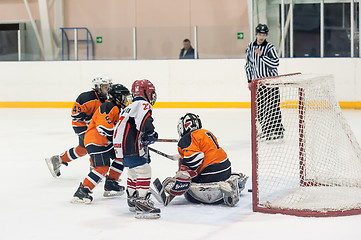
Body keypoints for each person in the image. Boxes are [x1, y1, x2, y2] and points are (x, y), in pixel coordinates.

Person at [162, 113, 248, 207]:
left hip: (210, 174)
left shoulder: (186, 138)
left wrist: (184, 174)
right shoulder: (205, 132)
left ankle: (220, 188)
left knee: (190, 187)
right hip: (226, 168)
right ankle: (233, 182)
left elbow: (195, 157)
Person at [71, 84, 132, 204]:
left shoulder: (116, 108)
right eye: (124, 97)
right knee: (102, 168)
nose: (126, 100)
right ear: (117, 97)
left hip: (104, 141)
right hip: (95, 141)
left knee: (121, 156)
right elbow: (103, 127)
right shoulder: (109, 106)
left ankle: (111, 183)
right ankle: (82, 190)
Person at [45, 74, 112, 177]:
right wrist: (90, 120)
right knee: (94, 143)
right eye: (105, 87)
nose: (108, 90)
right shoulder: (86, 97)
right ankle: (96, 168)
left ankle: (58, 159)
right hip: (81, 125)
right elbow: (75, 115)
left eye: (109, 87)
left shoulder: (108, 99)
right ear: (97, 87)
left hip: (94, 127)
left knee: (83, 149)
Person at [113, 79, 160, 219]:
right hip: (129, 144)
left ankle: (132, 197)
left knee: (133, 171)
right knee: (144, 170)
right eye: (150, 93)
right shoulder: (143, 104)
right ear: (145, 92)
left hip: (120, 146)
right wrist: (150, 133)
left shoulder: (129, 106)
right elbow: (145, 120)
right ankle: (142, 201)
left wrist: (143, 136)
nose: (152, 96)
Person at [245, 24, 284, 140]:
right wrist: (249, 80)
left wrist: (262, 56)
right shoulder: (250, 47)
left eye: (264, 35)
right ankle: (266, 130)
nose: (261, 37)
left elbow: (275, 63)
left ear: (266, 35)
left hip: (272, 83)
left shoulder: (270, 48)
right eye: (259, 34)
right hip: (259, 84)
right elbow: (248, 65)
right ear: (256, 34)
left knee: (273, 107)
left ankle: (277, 131)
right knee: (261, 108)